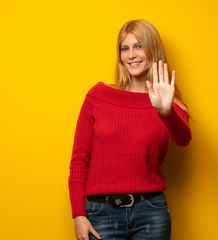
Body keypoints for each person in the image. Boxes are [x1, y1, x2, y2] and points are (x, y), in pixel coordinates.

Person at [68, 19, 192, 240]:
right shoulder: (98, 96)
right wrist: (78, 215)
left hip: (151, 213)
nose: (131, 55)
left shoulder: (168, 102)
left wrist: (165, 111)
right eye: (125, 48)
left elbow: (183, 139)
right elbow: (79, 160)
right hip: (100, 213)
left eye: (138, 46)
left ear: (153, 49)